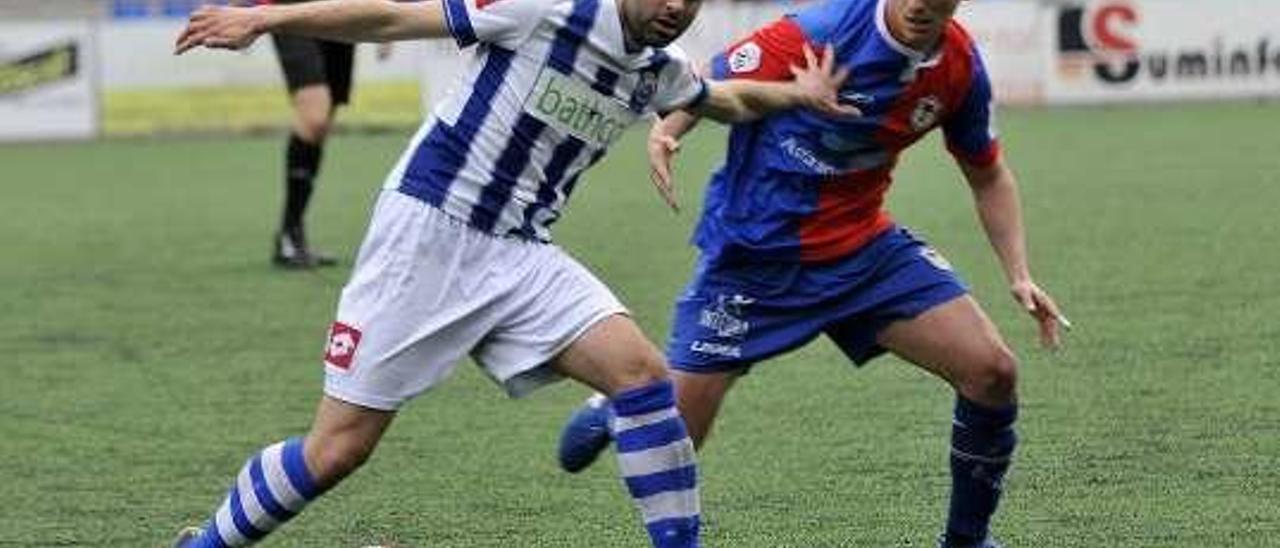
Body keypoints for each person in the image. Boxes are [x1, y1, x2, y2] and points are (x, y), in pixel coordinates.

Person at [170, 0, 856, 545]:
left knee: (643, 376)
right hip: (427, 236)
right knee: (337, 450)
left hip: (520, 253)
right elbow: (390, 17)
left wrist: (798, 96)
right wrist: (265, 18)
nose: (676, 5)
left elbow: (727, 102)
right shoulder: (543, 10)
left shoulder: (660, 68)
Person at [556, 0, 1070, 546]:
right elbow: (711, 79)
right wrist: (668, 131)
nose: (920, 4)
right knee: (673, 435)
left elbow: (987, 175)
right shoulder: (823, 29)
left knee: (992, 371)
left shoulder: (960, 68)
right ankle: (621, 408)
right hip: (753, 264)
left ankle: (966, 541)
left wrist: (1019, 272)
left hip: (863, 256)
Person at [230, 0, 384, 268]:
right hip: (289, 8)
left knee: (323, 121)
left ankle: (292, 235)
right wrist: (238, 11)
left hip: (341, 9)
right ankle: (289, 234)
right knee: (314, 115)